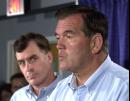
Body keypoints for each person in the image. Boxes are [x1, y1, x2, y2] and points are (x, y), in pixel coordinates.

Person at [47, 5, 129, 101]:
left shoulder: (124, 88)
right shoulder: (60, 89)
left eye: (68, 36)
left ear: (95, 43)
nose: (59, 45)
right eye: (58, 38)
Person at [10, 32, 60, 101]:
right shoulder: (17, 97)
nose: (27, 69)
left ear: (49, 57)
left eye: (33, 59)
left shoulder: (70, 92)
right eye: (22, 62)